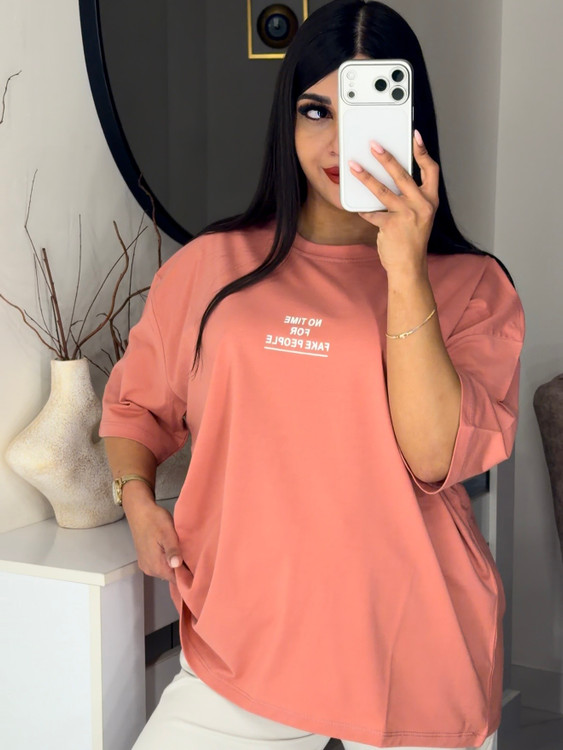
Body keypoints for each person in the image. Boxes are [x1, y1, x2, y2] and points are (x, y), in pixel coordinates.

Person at [99, 1, 525, 748]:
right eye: (315, 110)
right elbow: (137, 409)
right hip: (240, 651)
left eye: (362, 111)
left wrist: (405, 269)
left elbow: (434, 455)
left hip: (413, 653)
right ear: (286, 121)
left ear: (409, 124)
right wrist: (134, 498)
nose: (336, 142)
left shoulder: (471, 285)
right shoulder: (210, 268)